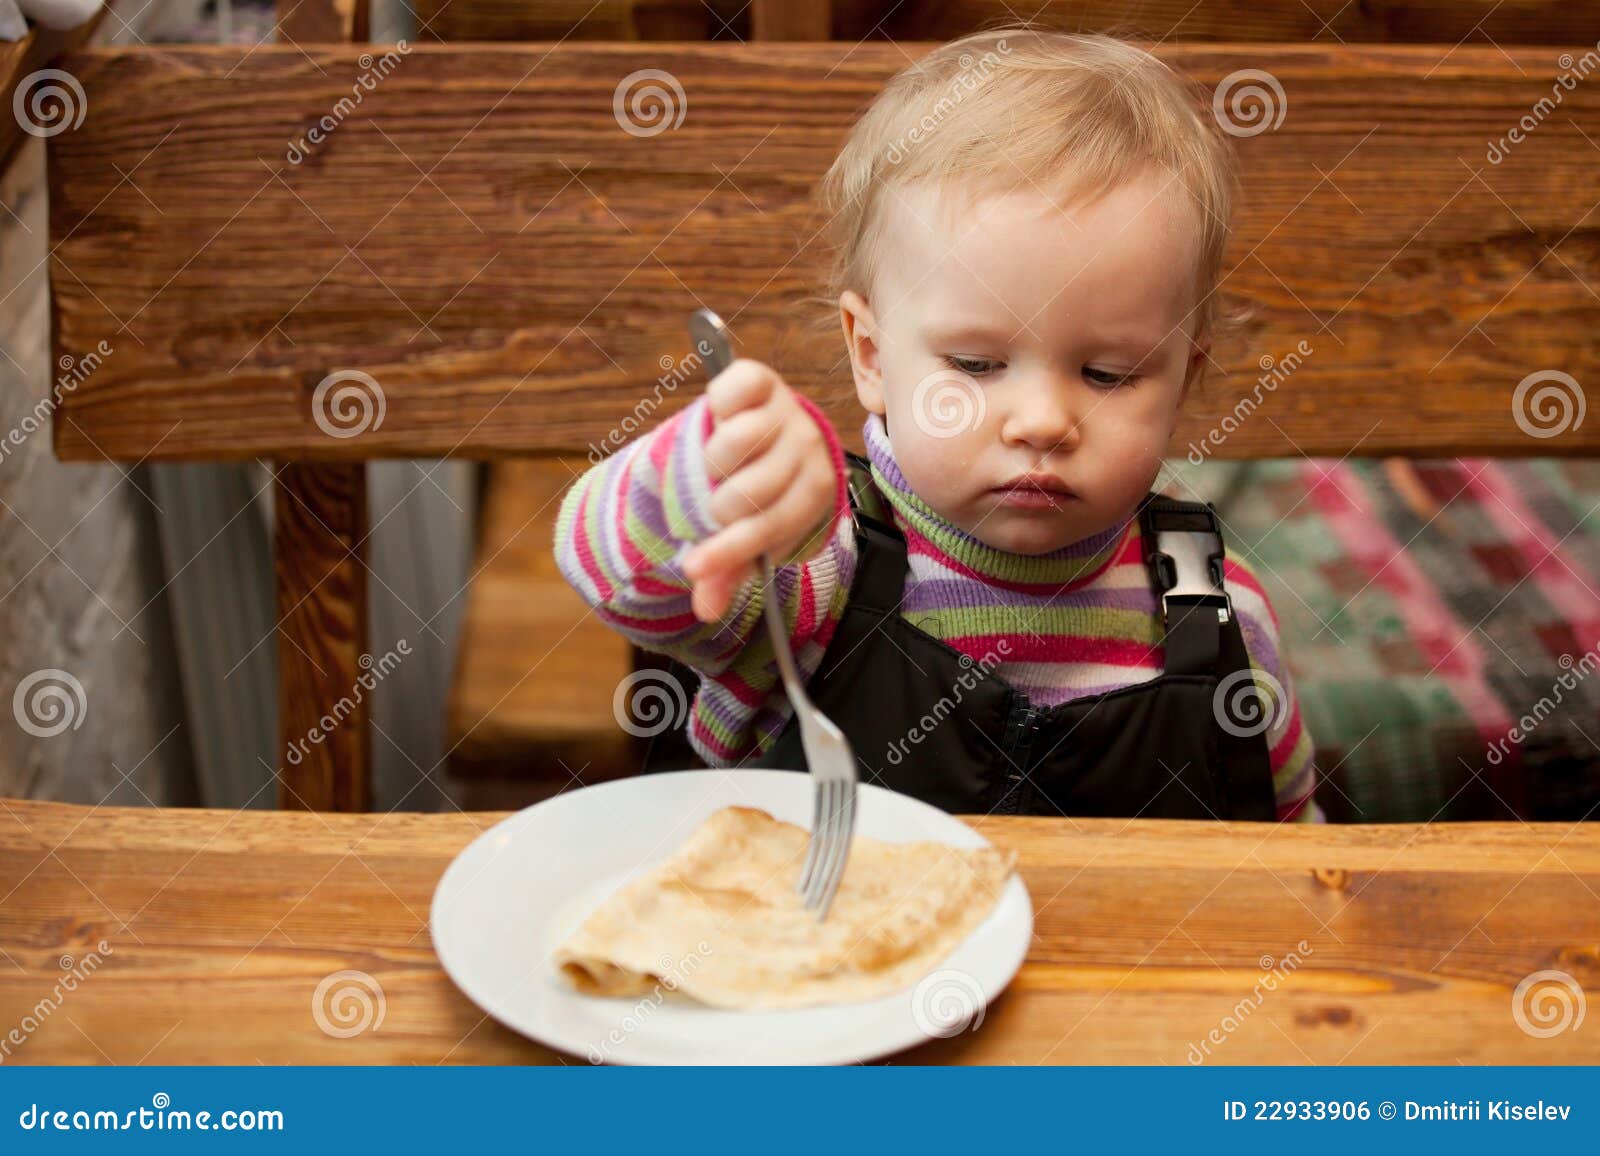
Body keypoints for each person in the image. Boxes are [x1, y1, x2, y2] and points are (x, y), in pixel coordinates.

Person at [556, 29, 1321, 821]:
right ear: (872, 356)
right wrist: (705, 483)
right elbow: (622, 579)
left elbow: (1295, 847)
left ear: (1184, 380)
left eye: (1108, 375)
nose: (1043, 421)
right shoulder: (815, 575)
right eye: (977, 365)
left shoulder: (1219, 611)